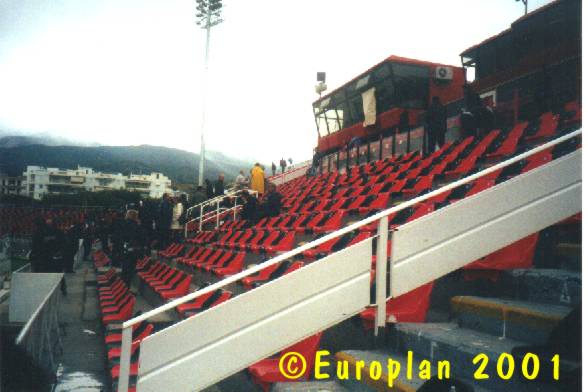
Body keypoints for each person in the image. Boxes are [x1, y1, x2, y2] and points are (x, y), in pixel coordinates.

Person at [120, 209, 145, 287]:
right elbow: (142, 238)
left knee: (125, 269)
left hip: (124, 249)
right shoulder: (137, 226)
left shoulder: (123, 224)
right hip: (134, 250)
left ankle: (124, 289)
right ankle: (126, 288)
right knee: (130, 270)